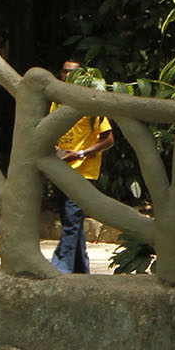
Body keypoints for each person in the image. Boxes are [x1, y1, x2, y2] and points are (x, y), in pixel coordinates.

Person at [50, 62, 114, 275]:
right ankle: (80, 269)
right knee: (71, 220)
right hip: (60, 168)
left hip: (82, 171)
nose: (67, 75)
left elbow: (108, 140)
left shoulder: (92, 106)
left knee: (71, 218)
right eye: (64, 70)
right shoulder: (57, 103)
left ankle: (61, 268)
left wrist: (80, 153)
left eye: (72, 71)